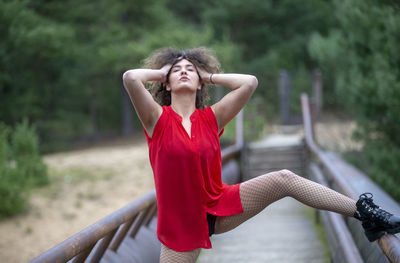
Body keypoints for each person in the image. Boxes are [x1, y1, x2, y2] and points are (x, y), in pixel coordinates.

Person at [122, 47, 400, 263]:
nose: (183, 72)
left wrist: (207, 75)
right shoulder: (156, 119)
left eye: (190, 70)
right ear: (166, 84)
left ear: (200, 85)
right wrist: (165, 71)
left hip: (219, 205)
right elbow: (130, 77)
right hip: (180, 225)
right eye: (176, 70)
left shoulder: (211, 118)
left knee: (284, 178)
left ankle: (366, 213)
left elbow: (249, 83)